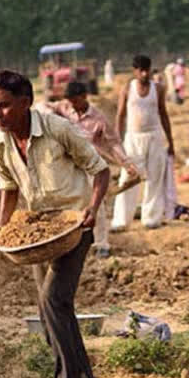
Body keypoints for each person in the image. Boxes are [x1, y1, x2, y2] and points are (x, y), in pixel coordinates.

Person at [0, 70, 110, 378]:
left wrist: (92, 209)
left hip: (73, 227)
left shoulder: (58, 129)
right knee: (52, 309)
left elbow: (100, 170)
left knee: (54, 299)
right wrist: (3, 224)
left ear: (25, 103)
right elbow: (8, 186)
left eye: (5, 106)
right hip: (39, 232)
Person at [39, 81, 139, 258]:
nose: (72, 105)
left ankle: (102, 244)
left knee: (96, 206)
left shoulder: (98, 119)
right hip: (70, 167)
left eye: (75, 101)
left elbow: (113, 143)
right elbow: (42, 106)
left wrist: (125, 162)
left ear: (84, 97)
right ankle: (72, 242)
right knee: (71, 205)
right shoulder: (64, 108)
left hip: (92, 167)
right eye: (69, 101)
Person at [111, 55, 176, 231]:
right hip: (133, 138)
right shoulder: (127, 89)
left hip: (154, 137)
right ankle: (121, 220)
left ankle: (151, 218)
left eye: (147, 69)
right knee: (128, 178)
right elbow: (120, 115)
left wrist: (171, 142)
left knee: (155, 177)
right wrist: (118, 143)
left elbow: (164, 114)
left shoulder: (158, 89)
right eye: (141, 70)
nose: (145, 73)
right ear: (135, 71)